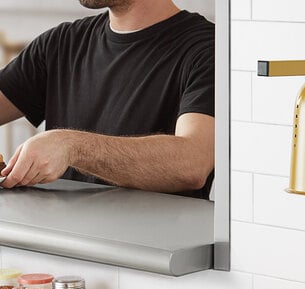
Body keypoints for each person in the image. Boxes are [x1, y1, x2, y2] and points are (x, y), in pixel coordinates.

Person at [0, 0, 215, 198]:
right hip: (64, 237)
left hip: (154, 239)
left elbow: (193, 163)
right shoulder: (62, 43)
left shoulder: (207, 50)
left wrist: (72, 147)